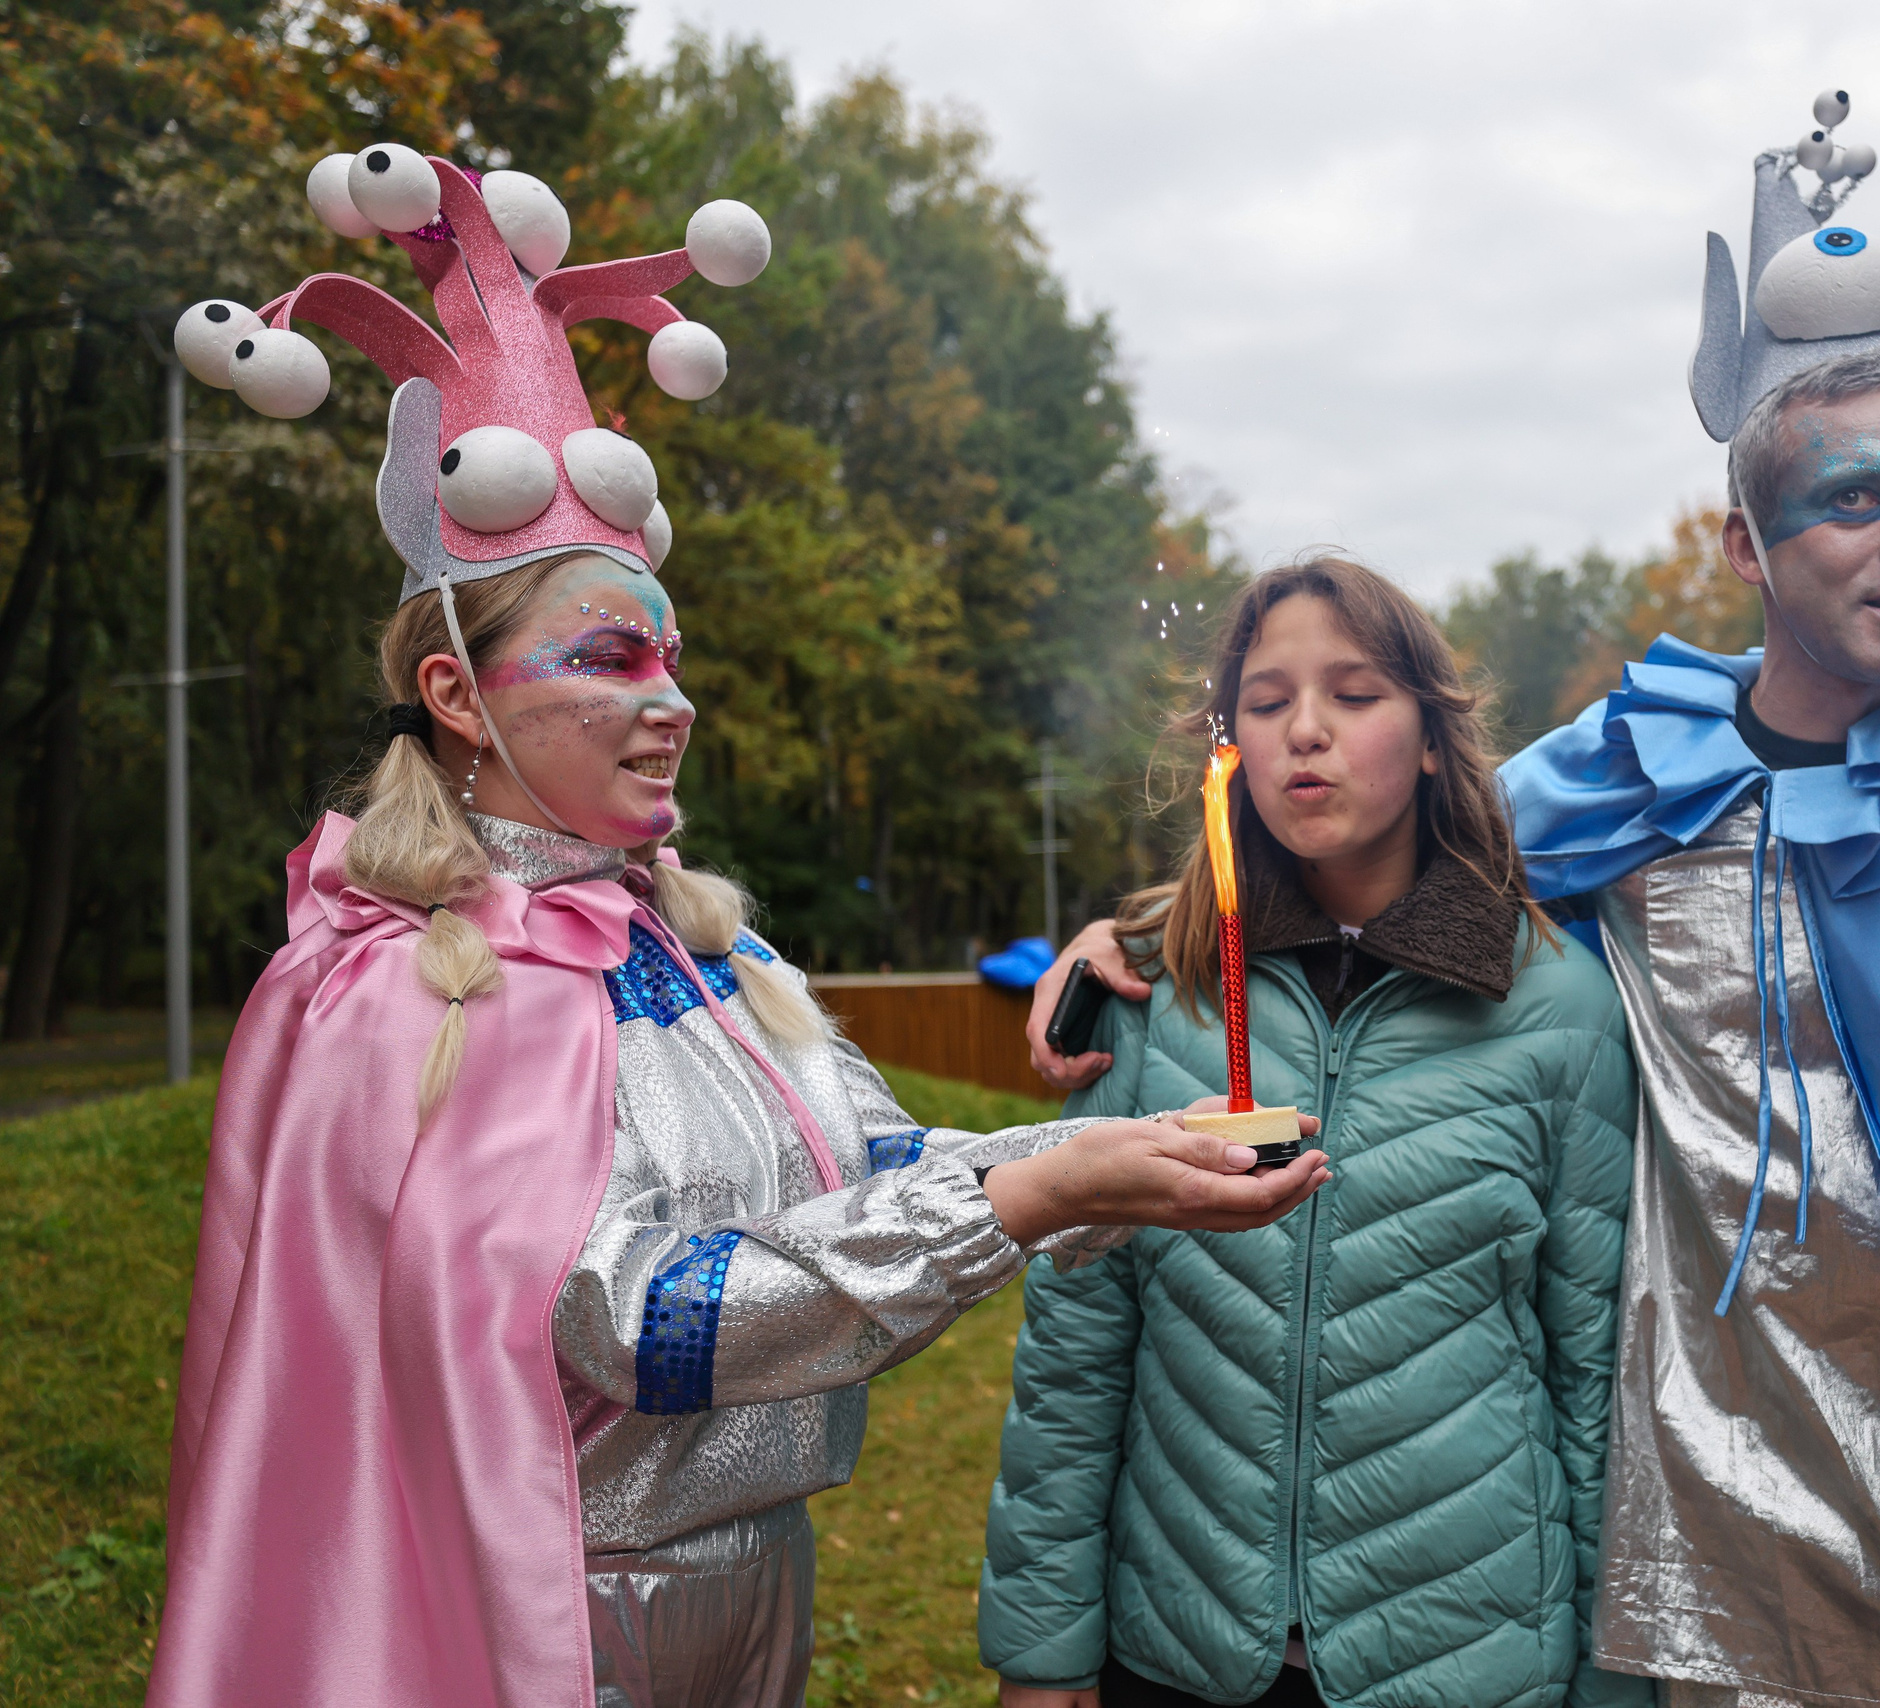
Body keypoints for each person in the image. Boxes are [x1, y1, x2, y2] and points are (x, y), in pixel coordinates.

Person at [1034, 98, 1880, 1708]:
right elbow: (1352, 841)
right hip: (1720, 1514)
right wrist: (1142, 938)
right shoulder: (1627, 777)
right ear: (1745, 544)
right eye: (1853, 498)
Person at [150, 153, 1325, 1708]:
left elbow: (886, 1167)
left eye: (670, 657)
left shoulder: (709, 955)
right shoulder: (414, 993)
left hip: (757, 1595)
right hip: (545, 1626)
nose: (672, 702)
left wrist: (1130, 1155)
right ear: (455, 697)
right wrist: (1042, 1198)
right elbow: (638, 1324)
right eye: (613, 658)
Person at [979, 559, 1648, 1708]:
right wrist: (1042, 1649)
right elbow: (1076, 1346)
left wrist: (1608, 1683)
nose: (1307, 733)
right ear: (1227, 738)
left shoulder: (1560, 1010)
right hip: (1180, 1650)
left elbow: (1594, 1381)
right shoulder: (1150, 989)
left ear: (1432, 737)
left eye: (1354, 693)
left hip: (1472, 1661)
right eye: (1269, 699)